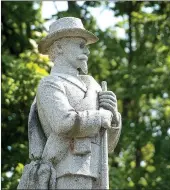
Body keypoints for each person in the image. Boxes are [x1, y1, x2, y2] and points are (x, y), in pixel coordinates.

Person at [18, 17, 121, 189]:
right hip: (67, 169)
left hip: (97, 170)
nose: (87, 52)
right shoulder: (50, 84)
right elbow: (63, 123)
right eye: (81, 45)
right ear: (59, 47)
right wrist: (101, 116)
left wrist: (114, 117)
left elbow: (108, 145)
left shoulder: (93, 86)